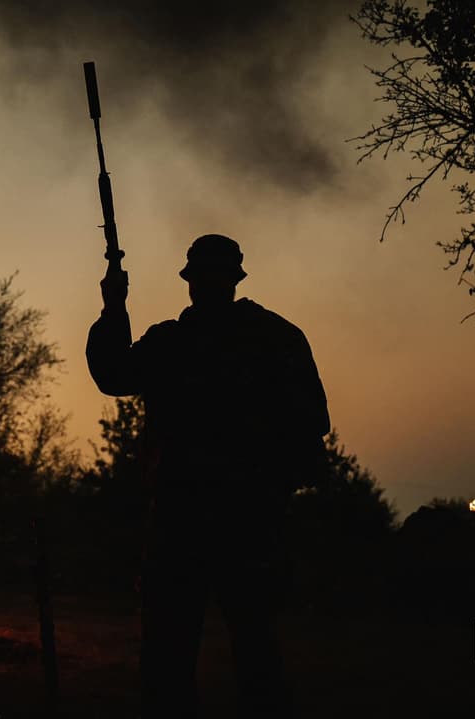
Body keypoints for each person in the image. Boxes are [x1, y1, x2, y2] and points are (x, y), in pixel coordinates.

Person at [86, 234, 330, 718]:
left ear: (192, 284)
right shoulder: (279, 338)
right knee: (253, 641)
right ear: (233, 280)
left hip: (186, 516)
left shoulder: (173, 343)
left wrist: (114, 306)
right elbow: (313, 424)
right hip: (249, 516)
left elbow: (113, 374)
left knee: (172, 647)